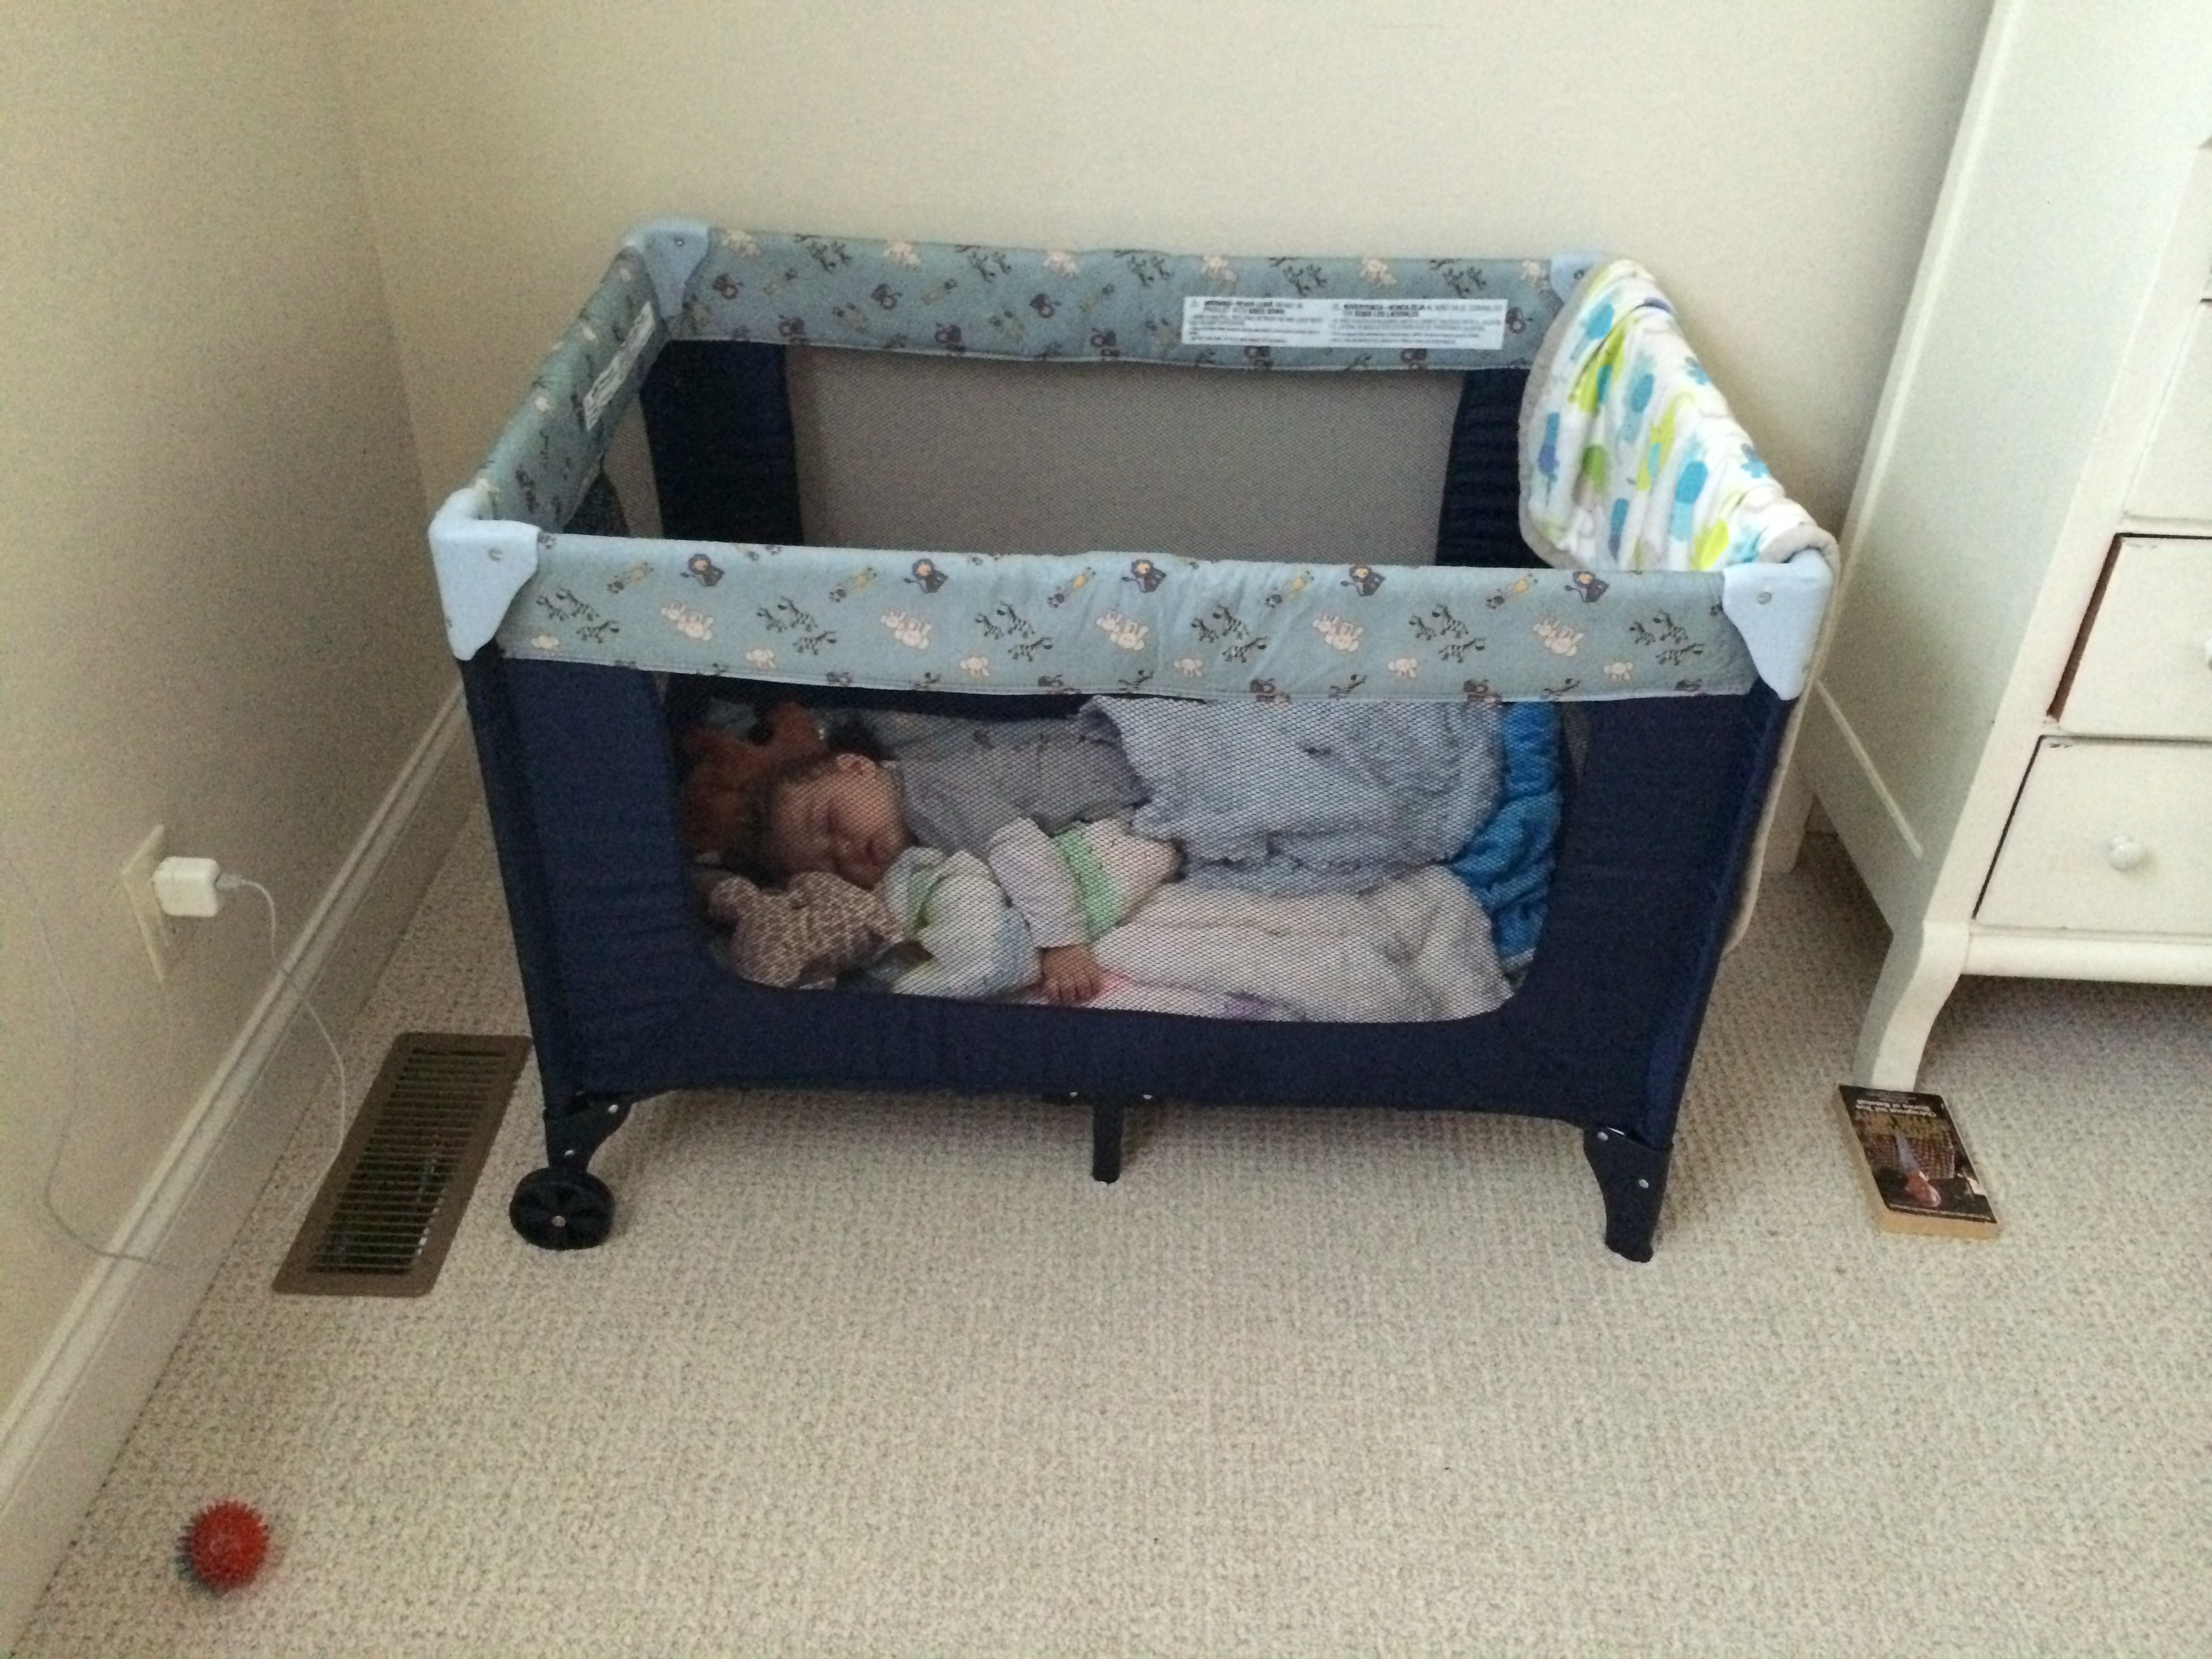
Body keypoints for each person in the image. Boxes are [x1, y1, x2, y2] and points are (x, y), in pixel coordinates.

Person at [755, 720, 1171, 1005]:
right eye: (832, 866)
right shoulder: (915, 847)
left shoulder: (931, 792)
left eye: (830, 821)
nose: (845, 850)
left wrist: (1063, 945)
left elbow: (1023, 854)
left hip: (1147, 769)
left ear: (857, 767)